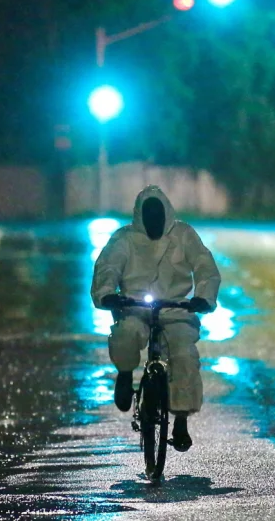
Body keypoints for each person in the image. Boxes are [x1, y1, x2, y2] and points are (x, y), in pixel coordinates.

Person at [91, 185, 221, 452]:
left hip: (176, 310)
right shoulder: (124, 239)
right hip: (136, 308)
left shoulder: (183, 235)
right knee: (125, 334)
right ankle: (125, 373)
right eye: (148, 215)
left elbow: (204, 265)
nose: (154, 221)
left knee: (184, 356)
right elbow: (108, 266)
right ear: (140, 216)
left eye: (157, 215)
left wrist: (203, 297)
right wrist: (107, 294)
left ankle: (181, 419)